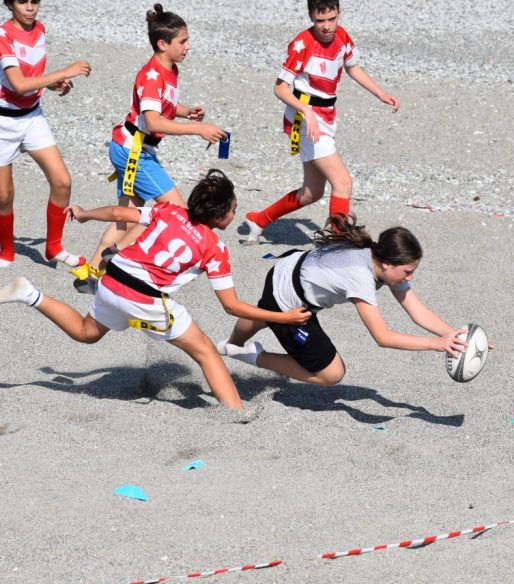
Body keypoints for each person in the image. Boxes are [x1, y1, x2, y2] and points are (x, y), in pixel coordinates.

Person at [0, 170, 311, 410]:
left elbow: (121, 214)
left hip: (111, 279)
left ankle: (30, 294)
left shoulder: (169, 211)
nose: (234, 214)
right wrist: (281, 317)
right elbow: (231, 306)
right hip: (146, 299)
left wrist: (84, 213)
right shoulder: (215, 248)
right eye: (233, 210)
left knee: (86, 332)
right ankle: (235, 412)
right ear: (219, 216)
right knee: (206, 353)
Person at [220, 212, 469, 387]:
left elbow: (417, 312)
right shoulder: (360, 277)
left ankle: (228, 346)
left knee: (265, 310)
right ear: (386, 263)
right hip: (290, 302)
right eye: (407, 272)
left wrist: (457, 338)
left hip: (285, 268)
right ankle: (253, 355)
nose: (410, 278)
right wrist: (436, 344)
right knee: (331, 375)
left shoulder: (375, 254)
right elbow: (382, 338)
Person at [78, 3, 226, 290]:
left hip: (132, 148)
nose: (188, 46)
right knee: (175, 208)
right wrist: (199, 129)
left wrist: (186, 113)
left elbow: (163, 106)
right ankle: (116, 257)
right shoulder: (151, 75)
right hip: (134, 152)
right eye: (182, 41)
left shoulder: (169, 70)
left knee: (128, 214)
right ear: (162, 43)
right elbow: (154, 122)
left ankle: (90, 273)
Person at [240, 0, 399, 245]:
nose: (326, 27)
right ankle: (337, 245)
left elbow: (352, 67)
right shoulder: (301, 44)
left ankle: (259, 219)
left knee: (311, 193)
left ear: (339, 14)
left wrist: (380, 93)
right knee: (343, 182)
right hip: (305, 118)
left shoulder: (342, 35)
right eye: (319, 21)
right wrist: (306, 111)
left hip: (326, 115)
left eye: (331, 19)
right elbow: (280, 88)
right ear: (311, 17)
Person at [0, 0, 91, 269]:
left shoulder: (40, 29)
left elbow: (31, 77)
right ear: (8, 4)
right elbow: (17, 83)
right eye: (22, 1)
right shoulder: (3, 35)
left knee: (62, 181)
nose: (30, 7)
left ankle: (54, 247)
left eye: (35, 1)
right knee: (3, 196)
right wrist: (63, 72)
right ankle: (6, 250)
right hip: (3, 122)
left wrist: (53, 84)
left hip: (32, 117)